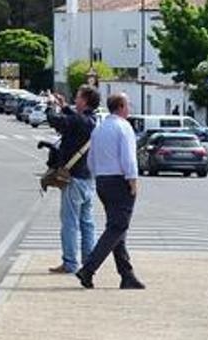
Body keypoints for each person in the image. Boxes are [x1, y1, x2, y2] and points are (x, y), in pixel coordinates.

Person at [76, 93, 144, 290]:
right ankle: (88, 269)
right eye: (128, 104)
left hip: (102, 181)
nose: (129, 107)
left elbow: (91, 160)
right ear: (121, 106)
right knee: (117, 227)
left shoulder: (99, 128)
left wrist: (98, 175)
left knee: (116, 228)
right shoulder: (124, 127)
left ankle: (127, 274)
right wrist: (132, 180)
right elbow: (129, 158)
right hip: (119, 181)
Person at [45, 86, 99, 275]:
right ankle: (89, 261)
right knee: (87, 221)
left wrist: (51, 105)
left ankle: (69, 263)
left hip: (73, 177)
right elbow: (75, 120)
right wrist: (65, 106)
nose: (76, 100)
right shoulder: (93, 120)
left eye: (77, 97)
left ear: (85, 100)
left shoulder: (78, 120)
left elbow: (55, 121)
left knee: (70, 221)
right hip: (88, 177)